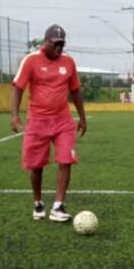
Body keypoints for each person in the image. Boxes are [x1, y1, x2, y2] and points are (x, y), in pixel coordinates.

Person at [11, 24, 87, 222]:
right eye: (55, 44)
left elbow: (75, 91)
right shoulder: (31, 60)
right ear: (45, 41)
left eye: (62, 44)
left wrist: (82, 117)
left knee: (66, 160)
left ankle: (58, 206)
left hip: (63, 121)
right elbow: (18, 87)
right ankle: (38, 202)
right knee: (36, 166)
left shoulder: (69, 62)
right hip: (38, 121)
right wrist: (15, 115)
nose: (58, 48)